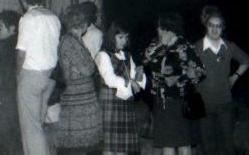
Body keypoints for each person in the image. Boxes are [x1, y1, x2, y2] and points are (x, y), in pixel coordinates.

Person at [142, 12, 205, 154]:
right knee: (166, 144)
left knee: (183, 144)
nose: (158, 30)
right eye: (159, 27)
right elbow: (145, 60)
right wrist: (160, 45)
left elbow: (201, 72)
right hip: (160, 101)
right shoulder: (156, 44)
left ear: (170, 29)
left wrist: (179, 78)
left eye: (161, 27)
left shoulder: (185, 46)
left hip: (179, 102)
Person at [15, 0, 60, 155]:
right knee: (39, 124)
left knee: (30, 128)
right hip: (49, 76)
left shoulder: (27, 18)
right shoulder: (54, 17)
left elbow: (20, 53)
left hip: (31, 75)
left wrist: (17, 75)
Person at [194, 8, 249, 154]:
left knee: (227, 144)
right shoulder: (196, 47)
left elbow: (246, 60)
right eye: (211, 25)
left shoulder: (229, 46)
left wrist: (235, 76)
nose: (214, 29)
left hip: (225, 103)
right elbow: (187, 69)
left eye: (218, 26)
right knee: (207, 144)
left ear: (222, 28)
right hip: (203, 104)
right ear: (206, 26)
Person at [95, 21, 145, 155]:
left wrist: (140, 75)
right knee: (109, 148)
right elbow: (109, 79)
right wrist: (130, 82)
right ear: (112, 37)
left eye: (126, 37)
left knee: (123, 148)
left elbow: (135, 78)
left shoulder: (127, 55)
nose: (124, 41)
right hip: (110, 102)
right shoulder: (103, 55)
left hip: (125, 102)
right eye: (120, 37)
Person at [56, 7, 103, 152]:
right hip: (77, 99)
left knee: (84, 143)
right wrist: (90, 64)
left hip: (81, 96)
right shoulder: (69, 42)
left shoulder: (76, 40)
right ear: (82, 24)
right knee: (76, 144)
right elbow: (88, 68)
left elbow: (86, 66)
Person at [0, 10, 22, 155]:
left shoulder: (1, 47)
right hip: (17, 98)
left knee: (3, 141)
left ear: (12, 28)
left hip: (3, 98)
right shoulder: (20, 46)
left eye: (0, 27)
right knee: (16, 140)